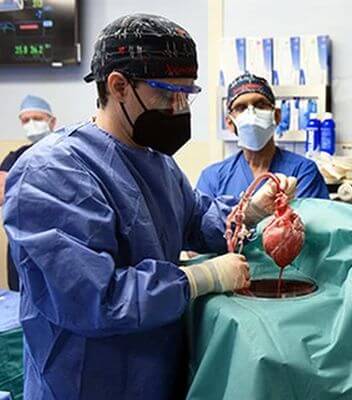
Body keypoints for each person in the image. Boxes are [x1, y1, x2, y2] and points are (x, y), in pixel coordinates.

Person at [2, 14, 296, 400]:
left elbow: (196, 219)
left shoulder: (157, 162)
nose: (178, 107)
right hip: (85, 383)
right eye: (168, 93)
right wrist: (198, 278)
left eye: (186, 94)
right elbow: (92, 298)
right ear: (119, 86)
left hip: (155, 375)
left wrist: (248, 212)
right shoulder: (51, 172)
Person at [196, 72, 329, 199]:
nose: (251, 114)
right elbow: (204, 215)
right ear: (230, 123)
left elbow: (307, 214)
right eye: (241, 108)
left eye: (260, 105)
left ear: (276, 116)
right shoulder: (213, 178)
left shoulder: (302, 171)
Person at [1, 95, 57, 291]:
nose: (31, 124)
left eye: (37, 118)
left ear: (52, 121)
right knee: (22, 294)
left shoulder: (66, 151)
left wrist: (19, 188)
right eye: (26, 120)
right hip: (21, 242)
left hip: (57, 241)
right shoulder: (16, 157)